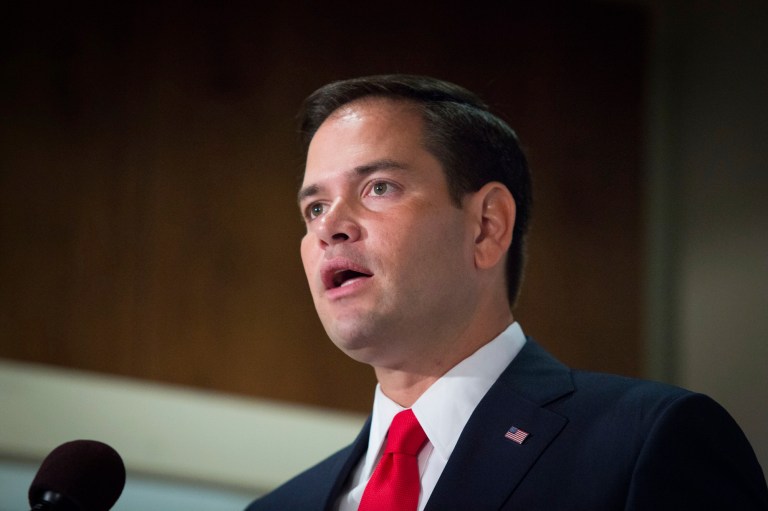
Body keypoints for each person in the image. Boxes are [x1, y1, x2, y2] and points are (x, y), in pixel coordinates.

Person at [245, 75, 768, 510]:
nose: (329, 227)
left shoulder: (647, 442)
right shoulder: (280, 507)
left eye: (378, 187)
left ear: (487, 226)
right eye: (314, 207)